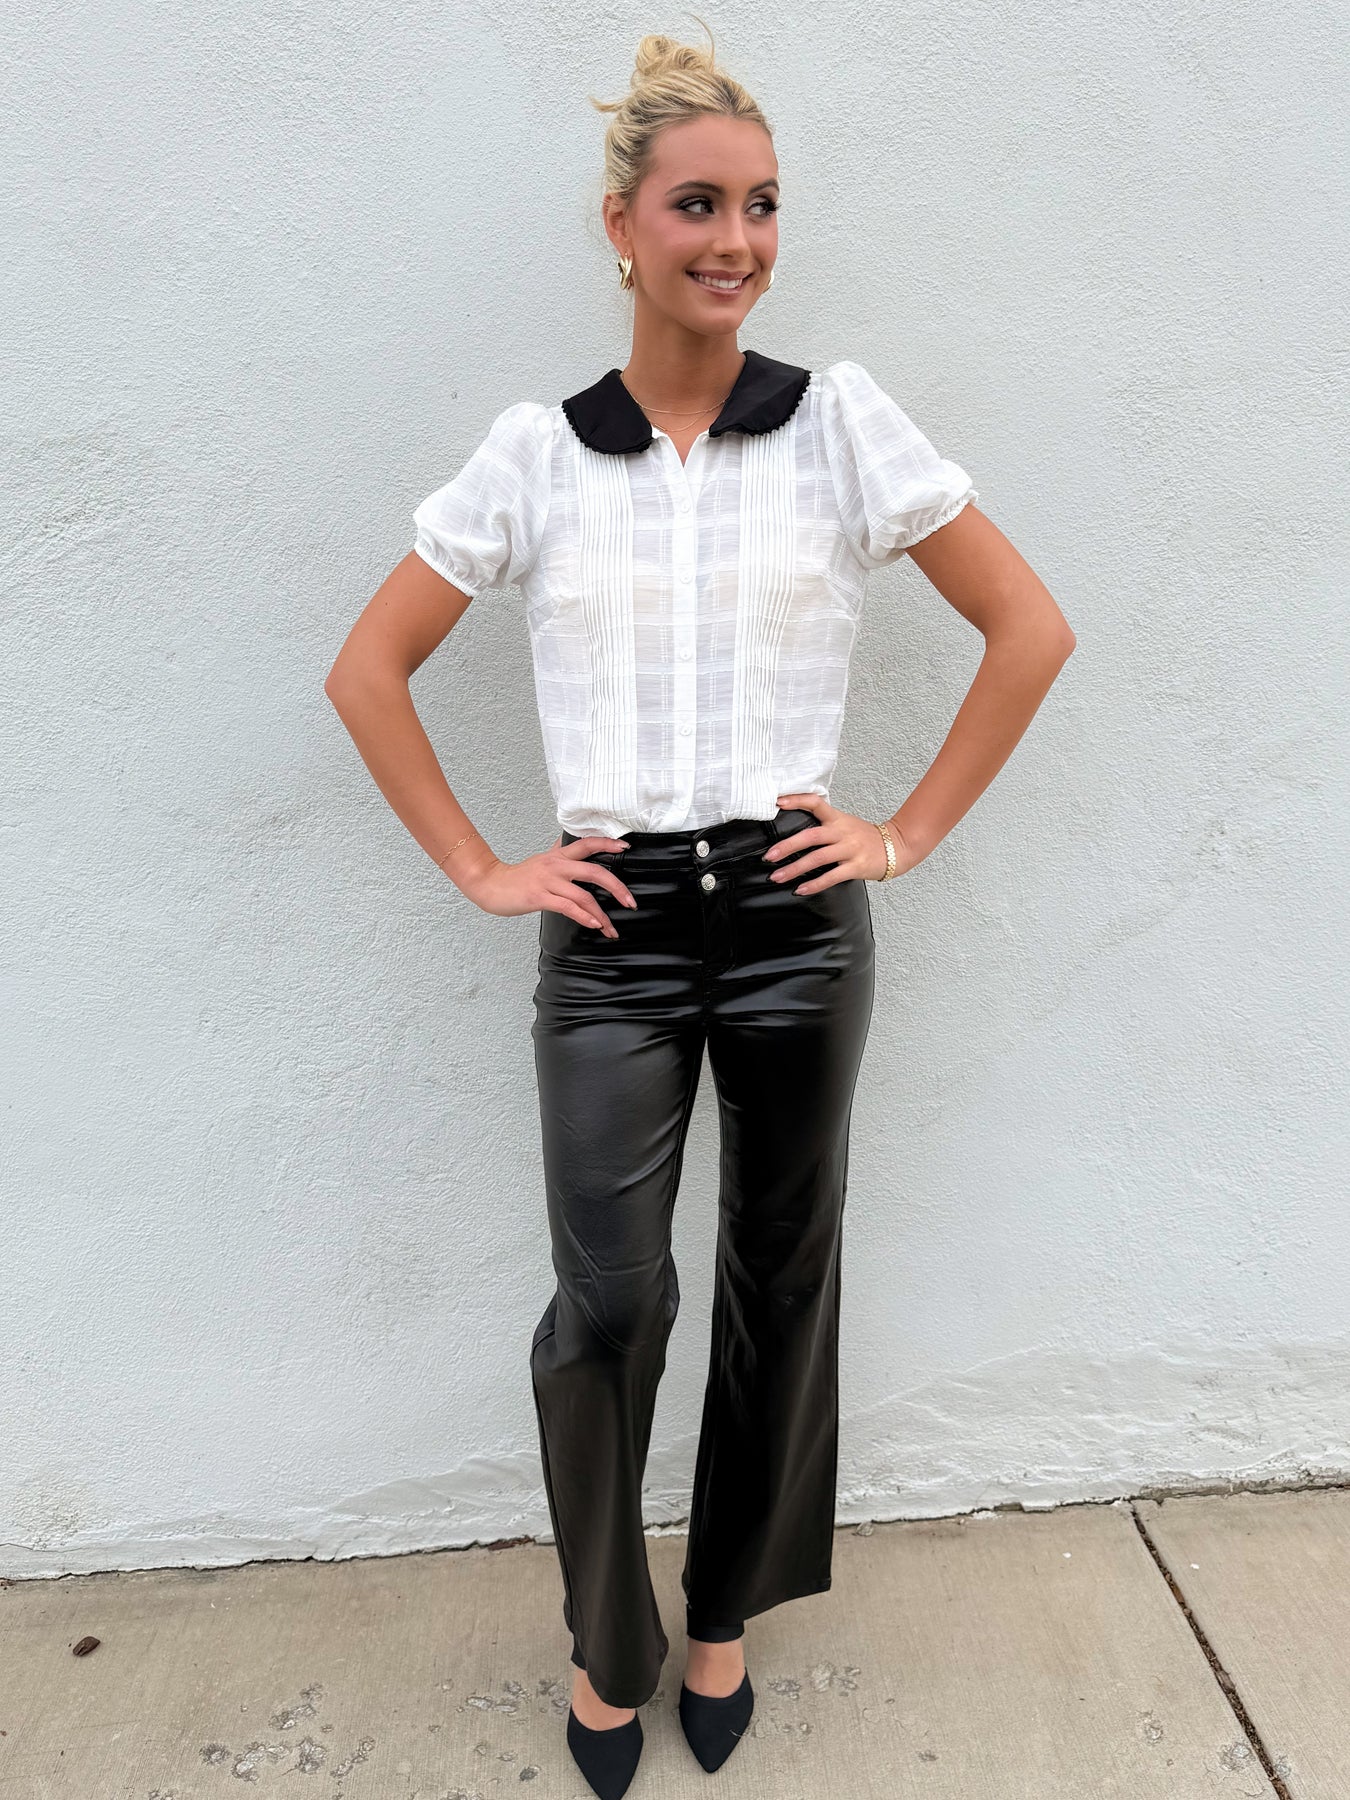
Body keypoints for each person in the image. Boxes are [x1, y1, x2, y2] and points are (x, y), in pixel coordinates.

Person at [324, 24, 1075, 1800]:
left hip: (796, 922)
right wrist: (485, 868)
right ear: (620, 226)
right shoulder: (536, 453)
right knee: (606, 1304)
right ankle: (611, 1642)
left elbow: (1028, 629)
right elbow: (367, 669)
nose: (734, 240)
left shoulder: (837, 424)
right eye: (697, 206)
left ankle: (724, 1608)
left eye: (760, 206)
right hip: (613, 933)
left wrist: (899, 834)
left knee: (779, 1277)